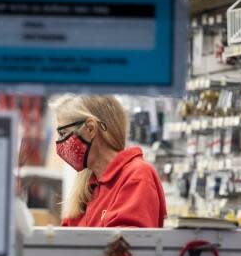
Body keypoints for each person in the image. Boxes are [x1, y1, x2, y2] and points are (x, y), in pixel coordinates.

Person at [50, 94, 166, 228]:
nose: (59, 143)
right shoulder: (88, 187)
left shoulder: (137, 176)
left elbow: (125, 244)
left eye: (63, 133)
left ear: (90, 128)